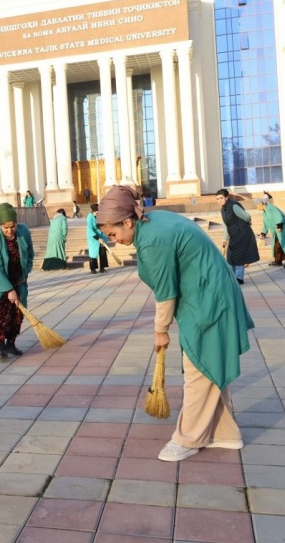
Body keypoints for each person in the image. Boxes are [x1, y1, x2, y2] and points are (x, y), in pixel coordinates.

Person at [97, 185, 254, 462]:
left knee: (198, 368)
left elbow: (166, 291)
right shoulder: (153, 223)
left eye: (114, 234)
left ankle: (188, 438)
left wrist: (160, 331)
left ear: (127, 221)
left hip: (209, 300)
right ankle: (225, 433)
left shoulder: (153, 238)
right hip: (208, 294)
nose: (114, 240)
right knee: (209, 363)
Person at [0, 203, 34, 361]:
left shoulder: (23, 231)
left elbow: (30, 253)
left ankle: (11, 343)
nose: (10, 230)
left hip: (18, 279)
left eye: (12, 226)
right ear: (0, 225)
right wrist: (8, 289)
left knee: (17, 314)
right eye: (6, 227)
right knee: (0, 315)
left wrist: (26, 271)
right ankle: (1, 347)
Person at [215, 189, 259, 285]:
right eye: (217, 199)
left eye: (221, 198)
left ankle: (239, 278)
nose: (219, 200)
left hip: (243, 234)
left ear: (226, 197)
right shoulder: (223, 209)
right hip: (234, 235)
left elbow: (247, 216)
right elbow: (225, 225)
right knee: (230, 255)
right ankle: (233, 277)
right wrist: (224, 239)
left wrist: (245, 224)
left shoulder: (233, 205)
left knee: (238, 255)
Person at [257, 197, 285, 268]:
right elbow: (266, 223)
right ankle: (278, 261)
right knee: (276, 245)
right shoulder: (264, 212)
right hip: (277, 231)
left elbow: (278, 216)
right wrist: (263, 233)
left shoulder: (271, 207)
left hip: (284, 228)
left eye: (257, 205)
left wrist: (279, 226)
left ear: (261, 204)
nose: (257, 207)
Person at [86, 203, 110, 274]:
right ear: (93, 211)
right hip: (93, 237)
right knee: (93, 253)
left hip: (102, 235)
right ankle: (93, 269)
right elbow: (90, 229)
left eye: (98, 211)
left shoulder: (100, 216)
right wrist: (97, 238)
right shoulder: (89, 217)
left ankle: (102, 268)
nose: (97, 213)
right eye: (96, 212)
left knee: (102, 252)